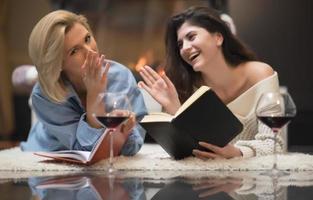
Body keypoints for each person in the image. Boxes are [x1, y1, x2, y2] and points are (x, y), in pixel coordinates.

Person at [138, 6, 282, 159]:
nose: (185, 48)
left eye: (191, 37)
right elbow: (190, 152)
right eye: (180, 44)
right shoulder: (186, 87)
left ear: (218, 38)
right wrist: (176, 109)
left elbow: (273, 144)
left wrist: (237, 153)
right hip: (205, 178)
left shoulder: (260, 74)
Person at [20, 10, 147, 158]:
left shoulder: (120, 77)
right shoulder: (43, 95)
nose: (91, 52)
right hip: (44, 157)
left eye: (87, 39)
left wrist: (126, 129)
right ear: (57, 63)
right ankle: (29, 74)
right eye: (74, 51)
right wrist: (96, 95)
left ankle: (27, 74)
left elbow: (132, 147)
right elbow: (84, 152)